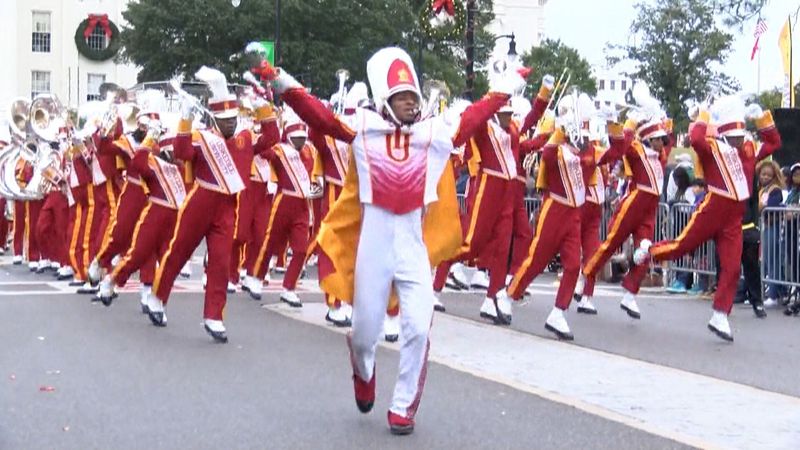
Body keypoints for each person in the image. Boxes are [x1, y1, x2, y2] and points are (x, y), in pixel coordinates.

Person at [256, 46, 525, 434]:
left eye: (413, 98)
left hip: (413, 244)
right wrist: (280, 79)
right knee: (365, 333)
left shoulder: (432, 133)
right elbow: (321, 116)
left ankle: (402, 407)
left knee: (419, 326)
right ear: (385, 100)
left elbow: (473, 117)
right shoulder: (362, 127)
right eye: (402, 99)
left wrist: (510, 84)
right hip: (374, 243)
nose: (411, 106)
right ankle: (362, 368)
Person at [634, 96, 781, 341]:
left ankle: (720, 314)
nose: (739, 138)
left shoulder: (747, 150)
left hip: (735, 218)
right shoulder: (713, 149)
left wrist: (762, 119)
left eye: (741, 132)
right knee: (682, 246)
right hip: (712, 209)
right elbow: (696, 138)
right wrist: (703, 113)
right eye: (734, 133)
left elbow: (774, 143)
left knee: (733, 269)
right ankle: (650, 251)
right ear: (724, 134)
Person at [148, 66, 275, 342]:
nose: (230, 124)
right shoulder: (204, 137)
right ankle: (158, 296)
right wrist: (185, 120)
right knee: (178, 251)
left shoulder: (244, 139)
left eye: (233, 119)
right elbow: (182, 154)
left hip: (228, 206)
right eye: (225, 120)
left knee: (219, 261)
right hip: (201, 200)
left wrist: (263, 107)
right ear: (215, 119)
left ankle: (214, 316)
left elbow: (272, 138)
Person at [505, 92, 627, 339]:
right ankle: (509, 294)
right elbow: (548, 158)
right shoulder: (557, 149)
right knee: (537, 261)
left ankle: (559, 312)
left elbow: (617, 151)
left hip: (574, 214)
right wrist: (560, 129)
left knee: (573, 265)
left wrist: (614, 124)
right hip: (554, 209)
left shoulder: (590, 150)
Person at [581, 83, 672, 320]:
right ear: (650, 139)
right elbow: (622, 142)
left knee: (645, 252)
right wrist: (631, 121)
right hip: (633, 203)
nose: (663, 142)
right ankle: (587, 278)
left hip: (649, 210)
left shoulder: (661, 157)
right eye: (659, 139)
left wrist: (656, 111)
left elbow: (669, 136)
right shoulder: (636, 150)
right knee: (610, 245)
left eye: (663, 139)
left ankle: (630, 294)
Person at [757, 159, 786, 306]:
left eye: (769, 175)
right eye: (763, 174)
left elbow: (771, 204)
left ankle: (774, 294)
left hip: (773, 227)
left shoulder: (775, 189)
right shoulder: (761, 189)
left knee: (773, 260)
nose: (765, 177)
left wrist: (762, 206)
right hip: (765, 227)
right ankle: (778, 292)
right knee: (767, 260)